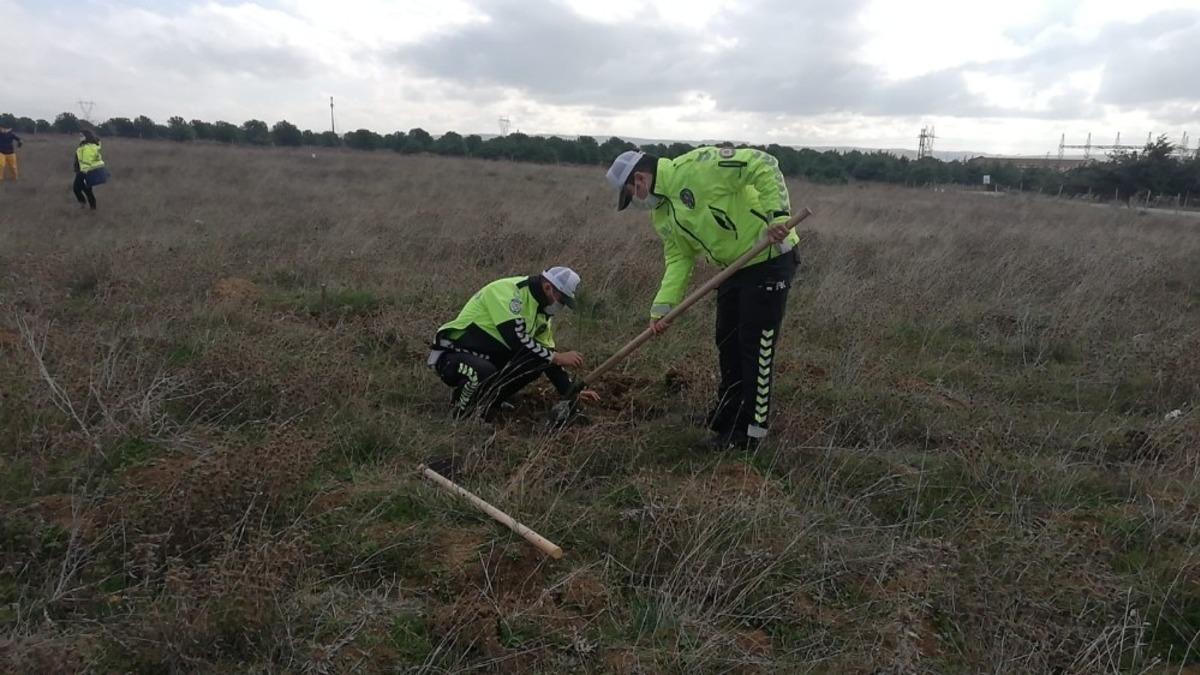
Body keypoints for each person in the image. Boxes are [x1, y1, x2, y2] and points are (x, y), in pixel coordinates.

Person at [605, 147, 800, 449]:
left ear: (641, 178)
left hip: (768, 257)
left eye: (632, 193)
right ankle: (727, 417)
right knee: (727, 340)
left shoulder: (698, 167)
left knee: (754, 347)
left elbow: (763, 163)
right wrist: (662, 308)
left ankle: (751, 433)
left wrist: (778, 215)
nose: (637, 201)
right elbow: (679, 258)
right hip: (732, 269)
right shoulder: (662, 214)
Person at [429, 267, 600, 420]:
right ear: (548, 287)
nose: (561, 306)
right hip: (452, 354)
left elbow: (545, 356)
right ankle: (461, 413)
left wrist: (570, 391)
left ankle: (490, 402)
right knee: (483, 372)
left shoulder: (542, 314)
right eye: (562, 301)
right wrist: (556, 357)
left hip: (490, 358)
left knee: (537, 360)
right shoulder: (508, 292)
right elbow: (515, 339)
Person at [73, 129, 108, 210]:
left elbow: (87, 160)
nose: (80, 137)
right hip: (85, 170)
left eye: (81, 135)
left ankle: (83, 204)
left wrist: (83, 172)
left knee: (76, 188)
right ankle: (92, 208)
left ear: (86, 136)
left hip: (84, 171)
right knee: (87, 190)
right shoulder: (85, 146)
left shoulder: (87, 147)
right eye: (79, 135)